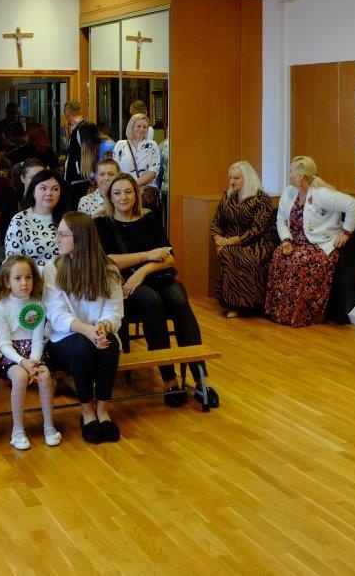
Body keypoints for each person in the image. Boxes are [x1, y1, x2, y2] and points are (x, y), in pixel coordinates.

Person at [97, 174, 215, 407]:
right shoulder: (102, 223)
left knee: (179, 300)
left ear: (136, 193)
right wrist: (147, 255)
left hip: (155, 277)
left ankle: (200, 378)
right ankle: (169, 379)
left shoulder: (149, 217)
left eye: (128, 192)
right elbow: (108, 260)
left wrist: (142, 271)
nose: (123, 197)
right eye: (117, 193)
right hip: (125, 285)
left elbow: (169, 258)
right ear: (109, 197)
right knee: (152, 302)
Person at [44, 212, 123, 444]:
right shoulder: (53, 268)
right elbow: (56, 314)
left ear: (80, 238)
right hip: (62, 338)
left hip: (98, 333)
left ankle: (103, 410)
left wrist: (104, 326)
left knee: (109, 347)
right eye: (57, 234)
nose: (57, 239)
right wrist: (87, 330)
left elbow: (115, 311)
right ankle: (87, 412)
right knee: (83, 347)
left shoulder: (108, 270)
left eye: (62, 235)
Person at [265, 156, 355, 328]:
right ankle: (280, 312)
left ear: (300, 176)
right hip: (296, 243)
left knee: (299, 260)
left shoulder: (321, 194)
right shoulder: (289, 192)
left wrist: (346, 232)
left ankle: (302, 315)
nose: (288, 175)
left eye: (291, 172)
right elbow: (280, 220)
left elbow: (354, 205)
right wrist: (286, 240)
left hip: (320, 245)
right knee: (279, 255)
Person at [0, 256, 59, 450]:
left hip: (34, 354)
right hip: (11, 356)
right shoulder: (1, 307)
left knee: (44, 376)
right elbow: (4, 345)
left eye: (28, 277)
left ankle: (49, 426)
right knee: (20, 377)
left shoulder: (38, 305)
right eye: (18, 278)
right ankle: (18, 429)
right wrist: (23, 362)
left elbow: (38, 340)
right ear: (7, 281)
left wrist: (34, 362)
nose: (24, 283)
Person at [211, 161, 279, 317]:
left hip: (259, 241)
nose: (232, 182)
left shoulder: (262, 198)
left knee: (242, 257)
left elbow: (257, 229)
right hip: (232, 240)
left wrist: (229, 242)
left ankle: (247, 305)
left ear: (247, 178)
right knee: (228, 253)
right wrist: (218, 238)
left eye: (236, 178)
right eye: (230, 178)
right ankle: (232, 303)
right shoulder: (227, 196)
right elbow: (216, 222)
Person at [5, 168, 65, 268]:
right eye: (43, 188)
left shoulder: (67, 220)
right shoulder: (20, 220)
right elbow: (12, 261)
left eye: (55, 189)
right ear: (33, 192)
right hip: (31, 276)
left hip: (63, 275)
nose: (49, 193)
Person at [112, 113, 161, 192]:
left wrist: (133, 185)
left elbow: (154, 171)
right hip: (124, 190)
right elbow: (114, 169)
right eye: (138, 126)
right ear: (131, 127)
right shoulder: (120, 145)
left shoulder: (152, 145)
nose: (142, 129)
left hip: (145, 192)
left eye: (145, 127)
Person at [62, 100, 90, 210]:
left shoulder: (81, 129)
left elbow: (88, 153)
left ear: (67, 113)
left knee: (76, 210)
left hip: (78, 180)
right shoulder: (80, 128)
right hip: (76, 179)